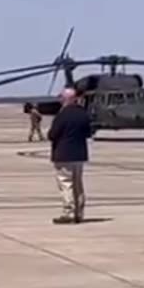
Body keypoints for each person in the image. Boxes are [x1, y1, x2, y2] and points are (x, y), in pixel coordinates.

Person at [47, 87, 91, 224]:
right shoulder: (83, 114)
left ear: (66, 99)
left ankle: (69, 212)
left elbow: (52, 134)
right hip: (79, 155)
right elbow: (88, 133)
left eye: (61, 97)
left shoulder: (62, 115)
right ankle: (79, 212)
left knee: (66, 184)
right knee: (78, 184)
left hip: (64, 154)